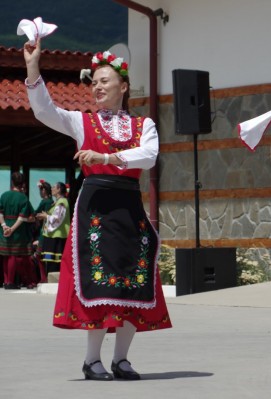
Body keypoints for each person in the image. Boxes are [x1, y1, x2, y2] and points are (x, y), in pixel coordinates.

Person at [24, 39, 171, 381]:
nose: (98, 86)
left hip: (128, 207)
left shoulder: (143, 126)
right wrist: (33, 67)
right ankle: (92, 361)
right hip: (95, 210)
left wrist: (105, 158)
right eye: (95, 82)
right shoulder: (81, 122)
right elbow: (45, 111)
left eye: (105, 80)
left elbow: (149, 156)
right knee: (97, 280)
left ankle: (121, 359)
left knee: (133, 281)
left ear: (124, 86)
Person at [0, 172, 37, 289]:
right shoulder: (23, 198)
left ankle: (6, 281)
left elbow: (0, 213)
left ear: (12, 182)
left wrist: (4, 225)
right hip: (17, 231)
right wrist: (12, 229)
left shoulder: (4, 195)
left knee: (6, 255)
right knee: (13, 255)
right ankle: (10, 282)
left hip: (4, 228)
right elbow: (22, 218)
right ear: (22, 184)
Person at [37, 182, 70, 278]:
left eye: (54, 187)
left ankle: (54, 282)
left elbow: (57, 218)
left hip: (57, 236)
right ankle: (51, 281)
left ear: (59, 189)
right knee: (50, 261)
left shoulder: (62, 202)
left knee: (54, 262)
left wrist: (46, 216)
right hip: (52, 235)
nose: (51, 189)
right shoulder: (58, 202)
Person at [33, 180, 53, 282]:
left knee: (38, 255)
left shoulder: (44, 202)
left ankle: (43, 278)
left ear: (44, 190)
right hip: (49, 231)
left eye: (41, 190)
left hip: (44, 231)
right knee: (47, 255)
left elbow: (35, 213)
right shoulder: (52, 201)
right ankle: (45, 277)